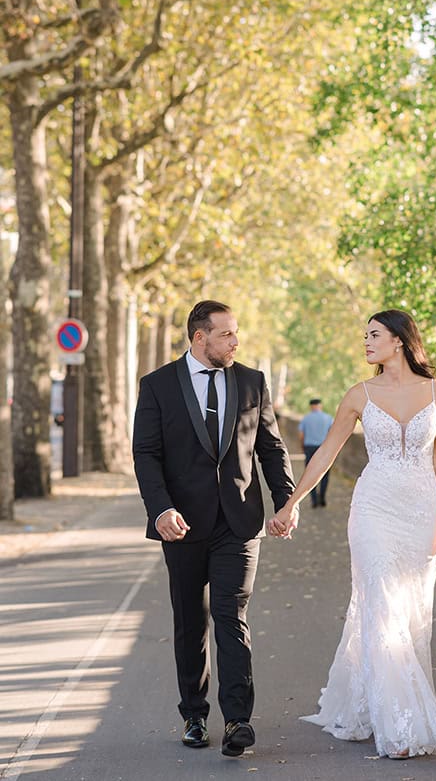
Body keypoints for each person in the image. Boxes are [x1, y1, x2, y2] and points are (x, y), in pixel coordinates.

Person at [268, 309, 436, 760]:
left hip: (420, 510)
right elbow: (325, 456)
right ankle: (399, 725)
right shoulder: (359, 395)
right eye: (365, 336)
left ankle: (383, 701)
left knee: (411, 612)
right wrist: (291, 502)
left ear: (398, 340)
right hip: (373, 509)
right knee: (380, 604)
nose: (366, 343)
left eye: (374, 335)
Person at [133, 300, 297, 758]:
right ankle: (194, 715)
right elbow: (145, 453)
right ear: (199, 338)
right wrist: (160, 509)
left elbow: (271, 447)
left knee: (231, 615)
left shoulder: (252, 382)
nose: (235, 341)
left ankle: (239, 721)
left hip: (239, 524)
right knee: (191, 622)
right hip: (180, 525)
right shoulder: (159, 385)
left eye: (236, 333)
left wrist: (285, 500)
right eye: (226, 334)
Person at [298, 398, 334, 507]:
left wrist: (302, 446)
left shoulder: (306, 419)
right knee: (325, 474)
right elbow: (332, 434)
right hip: (324, 448)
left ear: (311, 406)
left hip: (309, 448)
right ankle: (322, 498)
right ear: (320, 405)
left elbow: (301, 435)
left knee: (310, 474)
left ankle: (314, 500)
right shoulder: (328, 418)